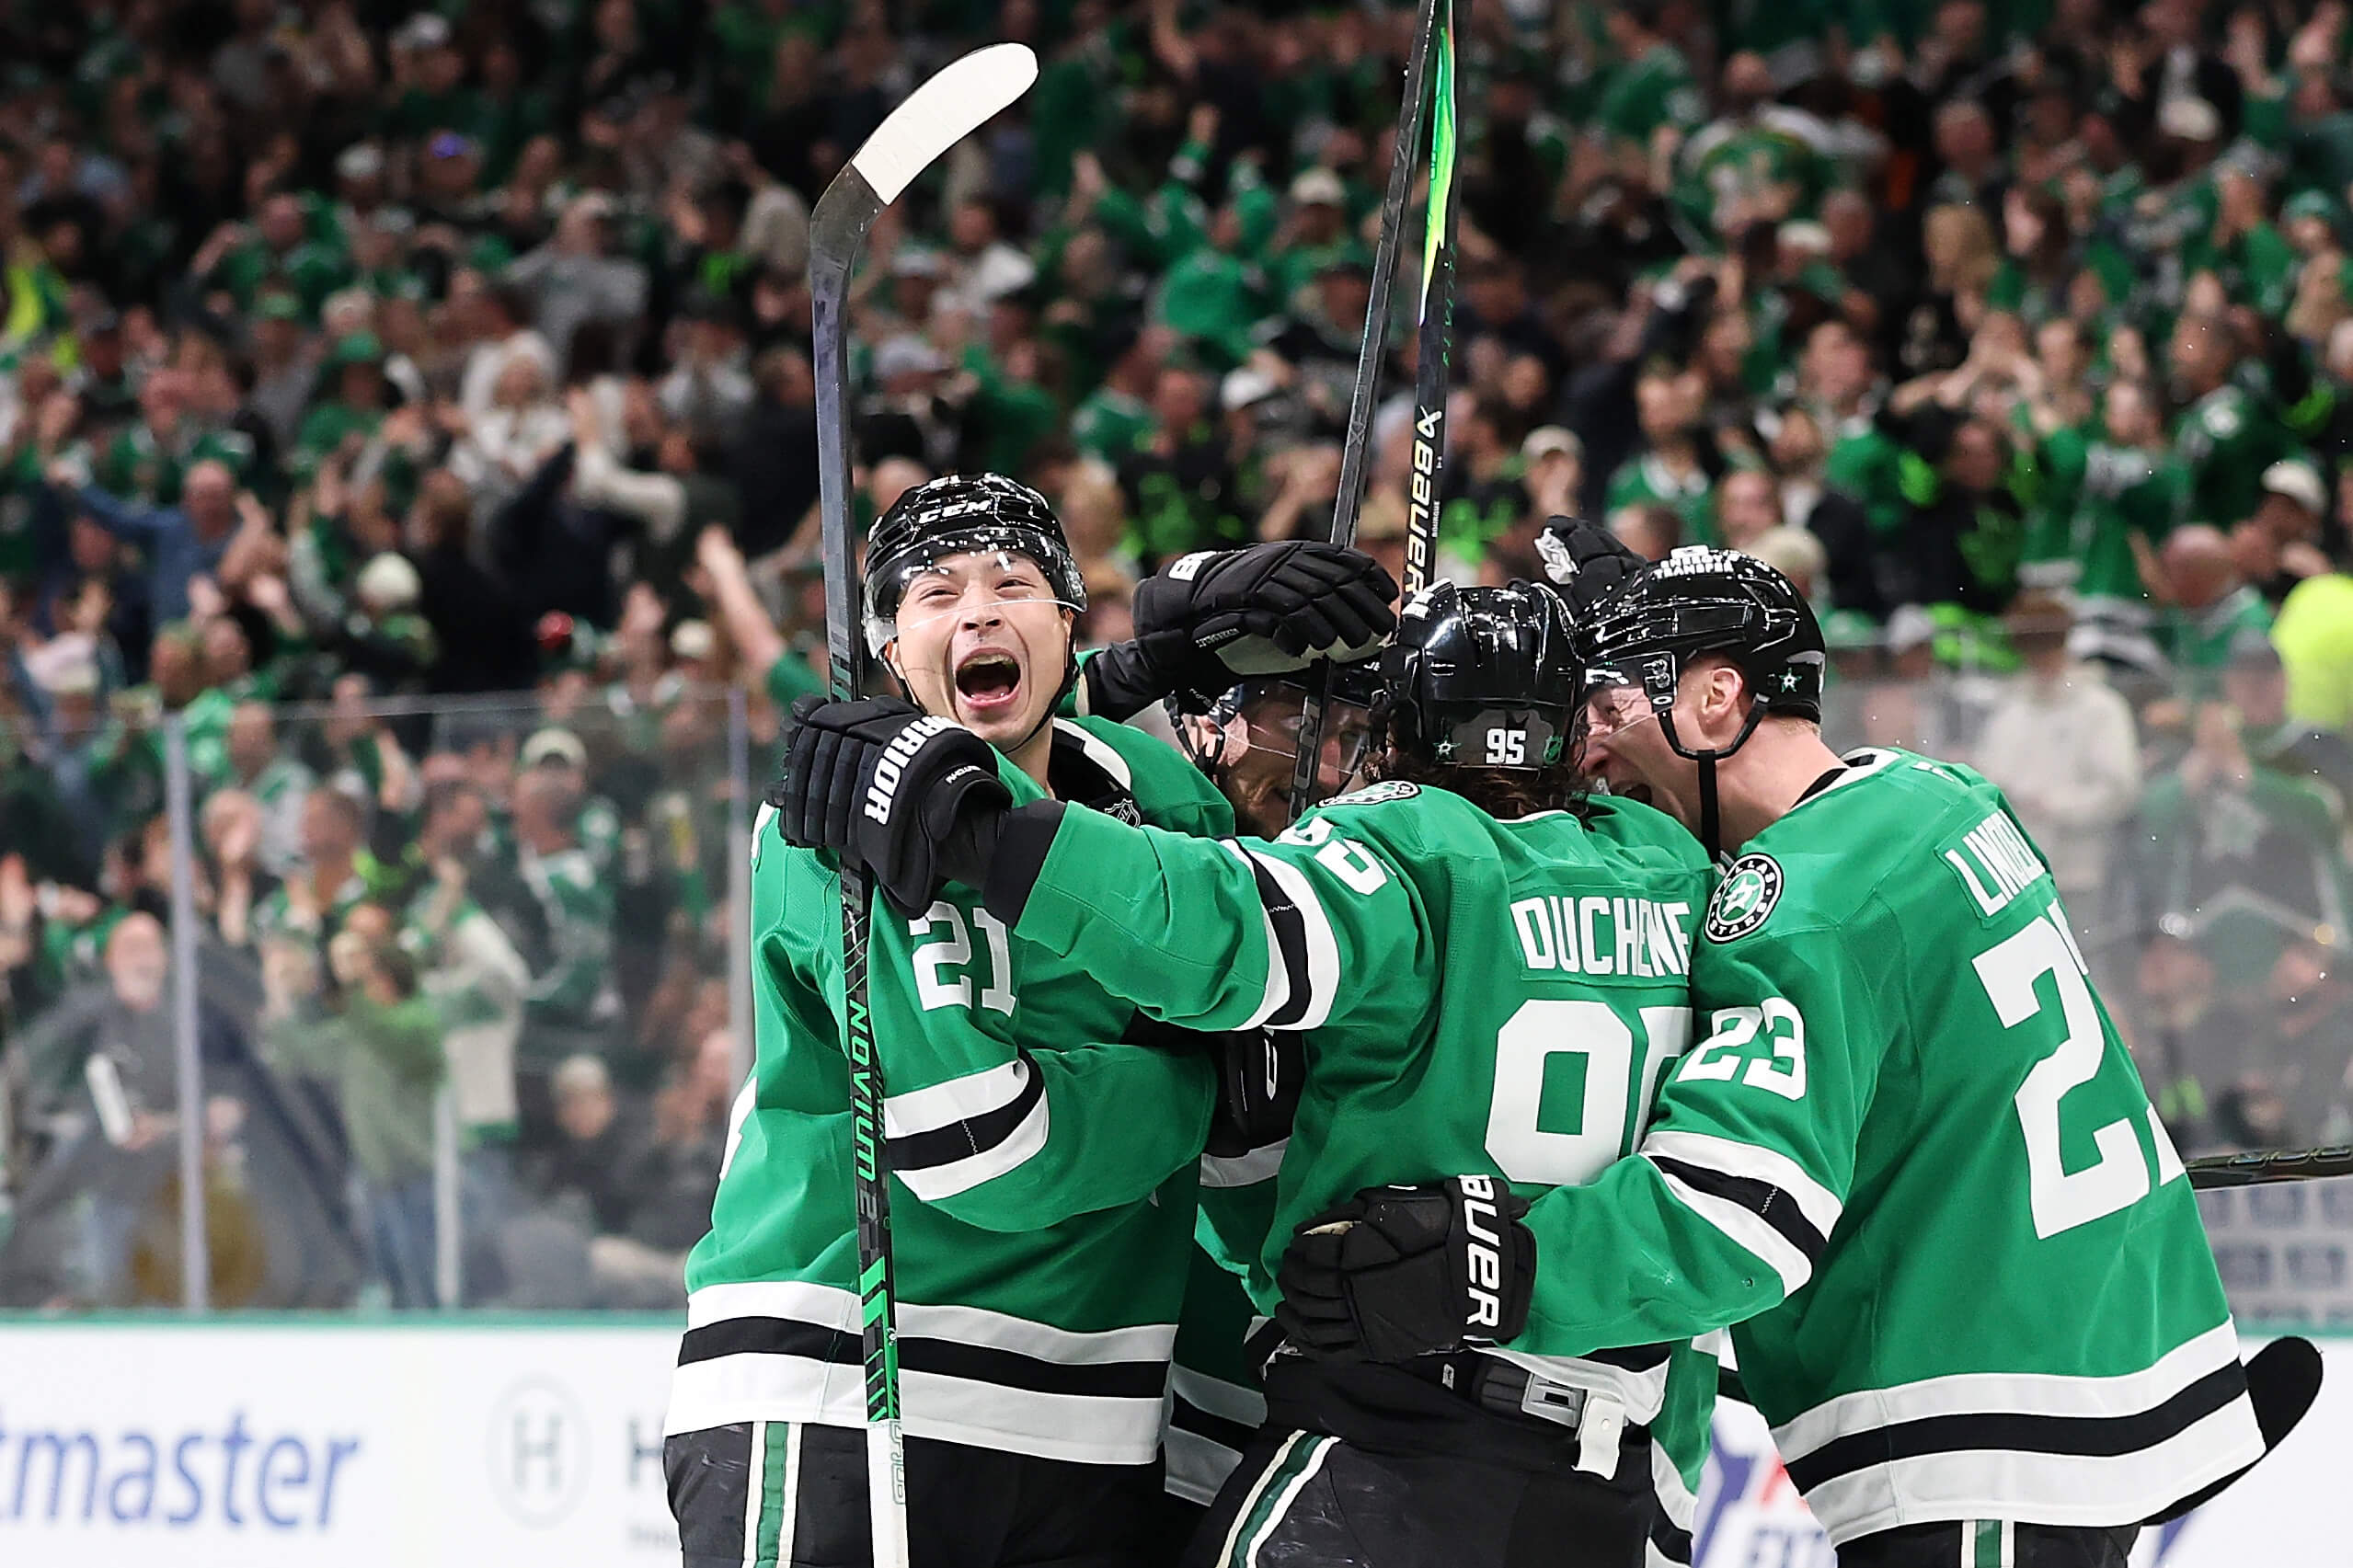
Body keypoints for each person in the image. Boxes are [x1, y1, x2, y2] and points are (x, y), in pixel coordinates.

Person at [772, 579, 1721, 1568]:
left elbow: (1223, 930)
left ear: (1394, 731)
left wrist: (987, 834)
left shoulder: (1407, 842)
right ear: (1572, 737)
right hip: (1602, 1471)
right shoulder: (1674, 866)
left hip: (1390, 1435)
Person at [1424, 534, 2266, 1563]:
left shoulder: (1793, 908)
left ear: (1716, 697)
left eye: (1606, 709)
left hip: (1972, 1416)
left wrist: (1490, 1262)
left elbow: (1727, 1215)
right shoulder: (1943, 797)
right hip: (2098, 1355)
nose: (1587, 754)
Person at [662, 472, 1397, 1568]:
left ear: (1065, 621)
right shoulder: (830, 823)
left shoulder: (1157, 795)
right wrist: (1201, 1083)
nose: (976, 612)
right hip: (843, 1381)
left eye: (1013, 583)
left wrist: (1172, 642)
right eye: (933, 594)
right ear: (890, 650)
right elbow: (981, 1147)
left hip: (1091, 1423)